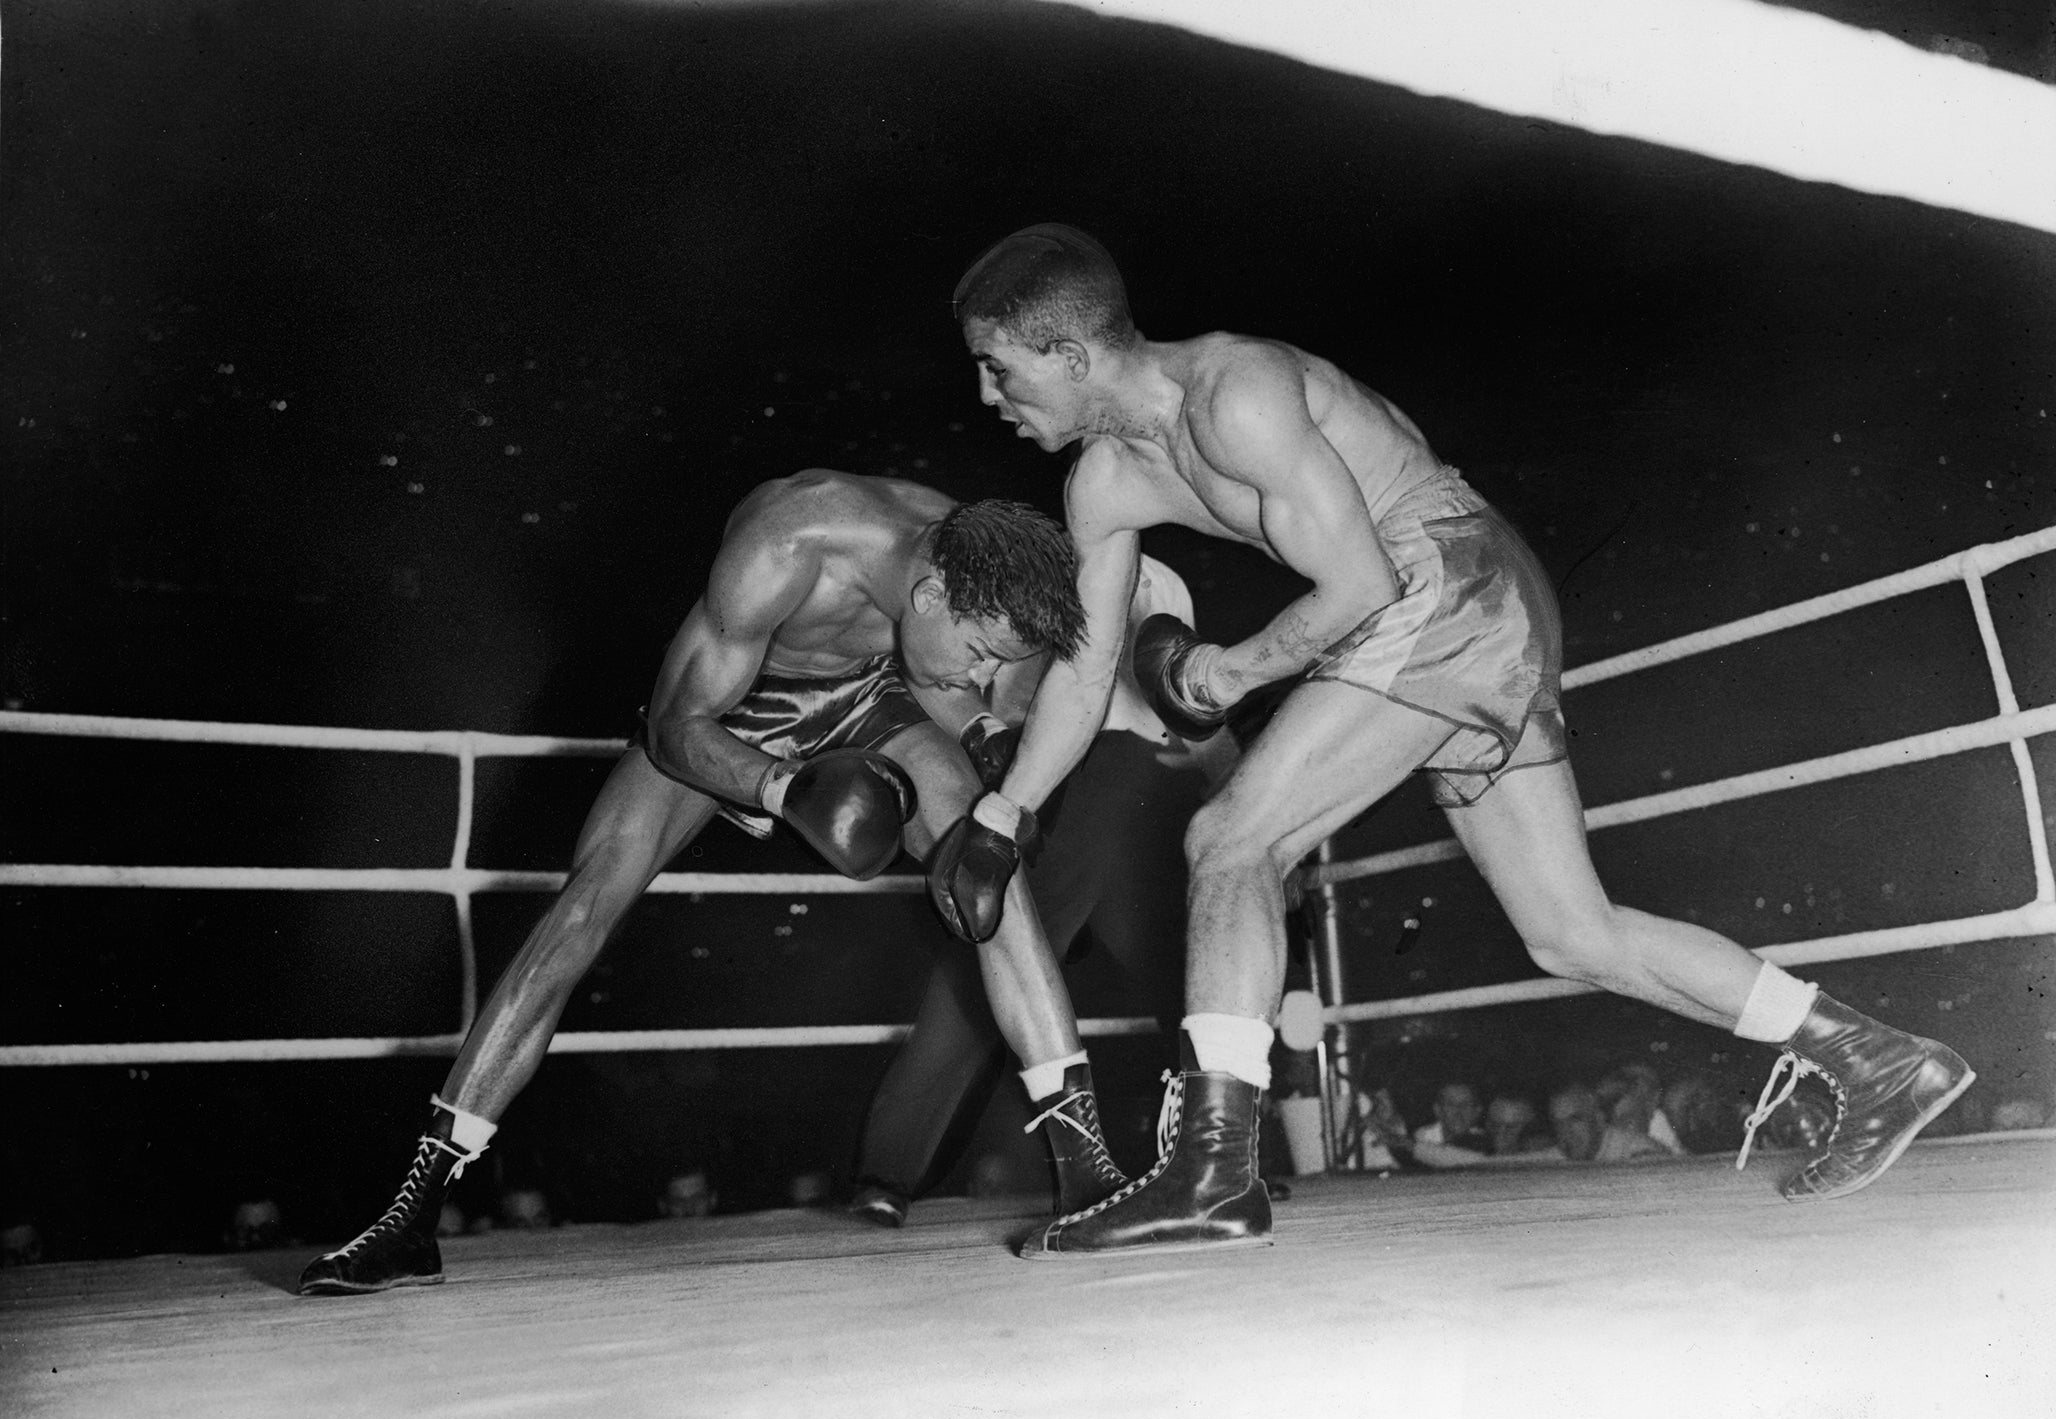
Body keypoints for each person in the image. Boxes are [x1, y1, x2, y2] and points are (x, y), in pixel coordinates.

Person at [938, 223, 1976, 1257]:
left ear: (1071, 356)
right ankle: (1877, 1058)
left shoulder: (1235, 394)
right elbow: (1082, 668)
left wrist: (1231, 670)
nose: (990, 398)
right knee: (1571, 934)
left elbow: (1361, 586)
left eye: (1000, 369)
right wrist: (1001, 813)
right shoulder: (1102, 487)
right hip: (1453, 610)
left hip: (1445, 581)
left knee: (1231, 838)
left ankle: (1211, 1176)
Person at [298, 472, 1119, 1295]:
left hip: (873, 697)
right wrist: (787, 789)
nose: (978, 673)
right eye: (977, 653)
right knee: (582, 908)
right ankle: (412, 1214)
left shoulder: (985, 564)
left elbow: (976, 691)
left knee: (987, 870)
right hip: (724, 717)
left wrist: (986, 753)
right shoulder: (788, 543)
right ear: (932, 594)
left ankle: (1087, 1172)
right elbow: (673, 727)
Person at [848, 554, 1234, 1226]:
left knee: (1178, 973)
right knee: (993, 965)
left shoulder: (1159, 576)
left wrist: (1233, 794)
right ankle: (887, 1171)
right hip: (1046, 778)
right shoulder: (1041, 572)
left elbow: (1181, 700)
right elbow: (983, 686)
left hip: (1132, 784)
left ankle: (1217, 1163)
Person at [1409, 1081, 1490, 1169]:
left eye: (1466, 1104)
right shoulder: (1421, 1138)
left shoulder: (1487, 1140)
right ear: (1437, 1110)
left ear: (1477, 1111)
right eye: (1451, 1105)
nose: (1458, 1112)